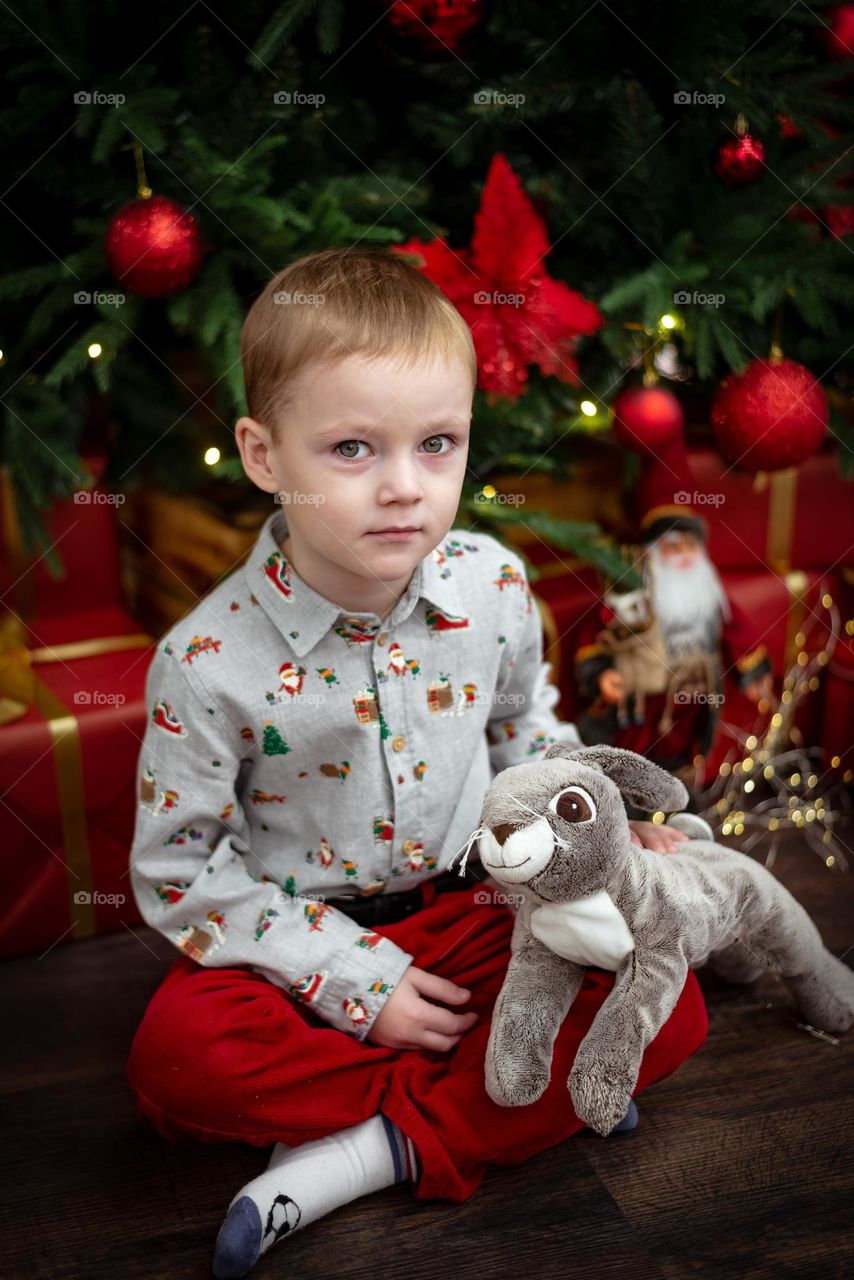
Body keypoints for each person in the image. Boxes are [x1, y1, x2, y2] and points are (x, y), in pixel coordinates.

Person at [125, 248, 709, 1279]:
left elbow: (529, 733)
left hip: (481, 908)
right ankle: (499, 1101)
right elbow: (181, 874)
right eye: (352, 447)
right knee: (175, 1059)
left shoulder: (490, 582)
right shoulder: (206, 661)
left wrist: (599, 824)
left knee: (668, 998)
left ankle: (358, 1152)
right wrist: (356, 978)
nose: (404, 487)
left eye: (436, 443)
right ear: (262, 453)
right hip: (298, 949)